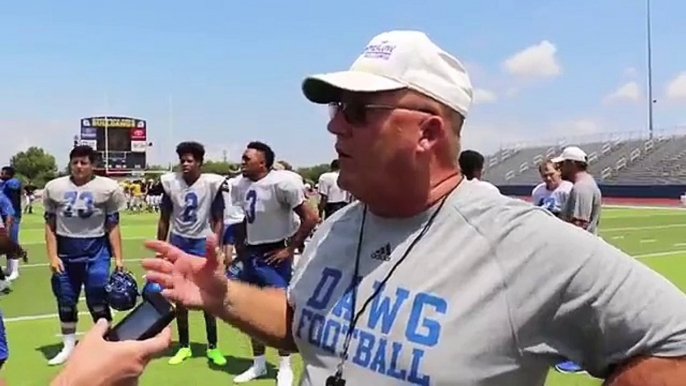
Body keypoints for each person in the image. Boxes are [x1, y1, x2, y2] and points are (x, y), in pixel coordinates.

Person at [57, 30, 686, 386]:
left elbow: (673, 343)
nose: (334, 126)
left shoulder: (522, 243)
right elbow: (299, 319)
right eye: (333, 108)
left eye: (358, 110)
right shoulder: (338, 226)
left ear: (428, 133)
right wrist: (218, 294)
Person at [228, 141, 318, 385]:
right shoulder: (239, 184)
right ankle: (258, 363)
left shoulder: (282, 182)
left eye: (247, 158)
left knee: (279, 311)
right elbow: (240, 219)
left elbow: (311, 217)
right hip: (250, 253)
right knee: (250, 311)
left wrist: (289, 248)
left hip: (274, 251)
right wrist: (240, 247)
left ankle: (284, 367)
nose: (243, 162)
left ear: (263, 162)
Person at [43, 145, 127, 365]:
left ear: (93, 165)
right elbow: (50, 226)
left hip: (96, 250)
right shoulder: (55, 187)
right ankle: (68, 346)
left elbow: (113, 226)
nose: (79, 167)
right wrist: (52, 256)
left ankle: (105, 343)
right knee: (65, 300)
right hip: (66, 251)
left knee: (97, 299)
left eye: (84, 162)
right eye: (75, 162)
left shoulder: (107, 187)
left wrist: (118, 258)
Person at [158, 141, 227, 366]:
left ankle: (213, 346)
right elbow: (164, 218)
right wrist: (162, 246)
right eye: (182, 160)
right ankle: (185, 346)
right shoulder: (171, 183)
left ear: (199, 162)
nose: (185, 164)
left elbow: (218, 219)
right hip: (178, 241)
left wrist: (215, 244)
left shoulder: (211, 184)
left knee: (207, 297)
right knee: (180, 298)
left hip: (201, 242)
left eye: (189, 160)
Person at [556, 146, 602, 234]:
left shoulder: (582, 187)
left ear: (572, 164)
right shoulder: (585, 184)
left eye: (562, 163)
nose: (559, 167)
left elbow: (579, 224)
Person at [1, 166, 23, 280]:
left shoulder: (12, 183)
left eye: (3, 173)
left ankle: (15, 270)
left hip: (13, 215)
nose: (0, 174)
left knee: (12, 241)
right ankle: (9, 268)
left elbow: (14, 185)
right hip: (5, 215)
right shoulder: (3, 184)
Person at [221, 168, 245, 266]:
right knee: (242, 250)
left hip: (227, 220)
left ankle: (228, 270)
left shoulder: (224, 183)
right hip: (241, 219)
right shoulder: (243, 183)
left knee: (228, 248)